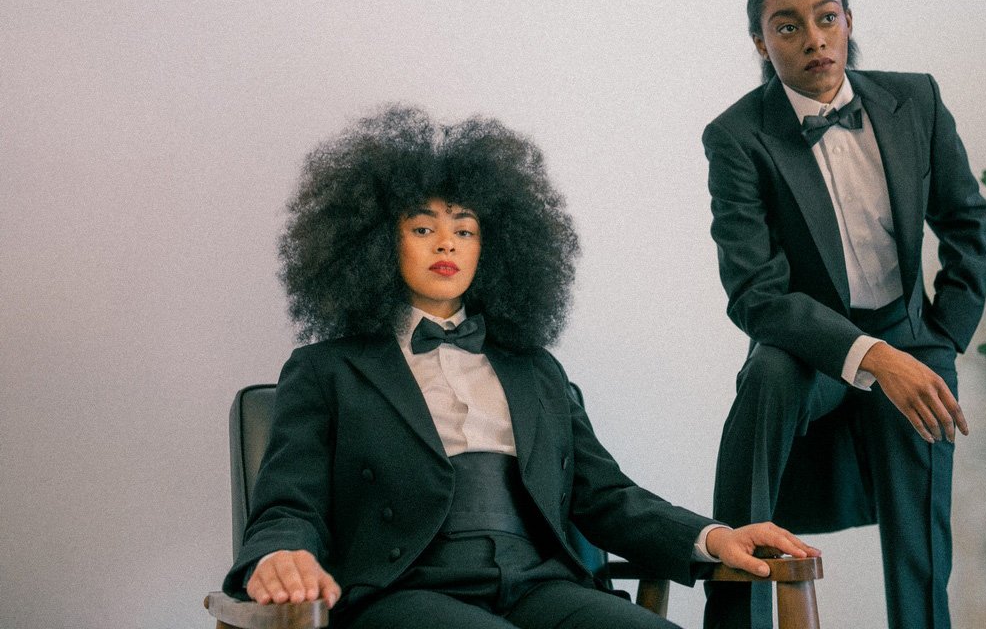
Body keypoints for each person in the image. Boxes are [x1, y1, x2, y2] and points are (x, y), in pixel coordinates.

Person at [222, 105, 819, 629]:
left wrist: (713, 536)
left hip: (540, 583)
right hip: (403, 590)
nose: (447, 244)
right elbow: (289, 503)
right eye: (423, 228)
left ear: (494, 247)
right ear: (377, 242)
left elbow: (606, 496)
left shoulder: (537, 372)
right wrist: (278, 555)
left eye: (465, 229)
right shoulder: (326, 370)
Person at [701, 0, 986, 629]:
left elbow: (968, 224)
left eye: (826, 17)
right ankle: (735, 610)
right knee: (766, 377)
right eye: (788, 27)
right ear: (760, 43)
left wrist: (942, 339)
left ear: (848, 21)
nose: (814, 38)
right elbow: (755, 294)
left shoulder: (915, 101)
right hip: (810, 342)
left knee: (921, 543)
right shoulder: (737, 137)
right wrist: (875, 358)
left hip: (910, 330)